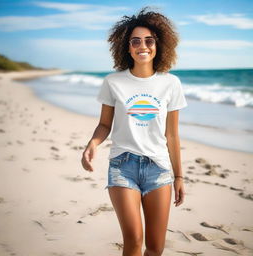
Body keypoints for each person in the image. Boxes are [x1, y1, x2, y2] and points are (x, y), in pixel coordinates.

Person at [81, 6, 188, 256]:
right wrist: (92, 144)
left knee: (155, 248)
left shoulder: (170, 83)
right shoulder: (113, 82)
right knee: (133, 239)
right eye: (136, 41)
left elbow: (172, 135)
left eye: (149, 40)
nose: (143, 46)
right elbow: (105, 124)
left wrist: (179, 177)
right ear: (127, 47)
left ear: (158, 45)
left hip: (158, 169)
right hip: (122, 166)